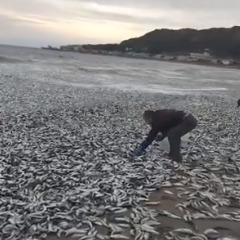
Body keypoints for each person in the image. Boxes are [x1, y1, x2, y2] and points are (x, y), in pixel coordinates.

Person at [132, 109, 198, 162]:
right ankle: (172, 153)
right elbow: (167, 126)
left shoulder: (157, 120)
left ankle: (176, 157)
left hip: (188, 121)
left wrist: (143, 146)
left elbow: (152, 134)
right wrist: (163, 135)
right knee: (172, 133)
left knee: (173, 135)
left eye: (146, 120)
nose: (147, 122)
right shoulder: (159, 115)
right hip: (188, 119)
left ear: (149, 117)